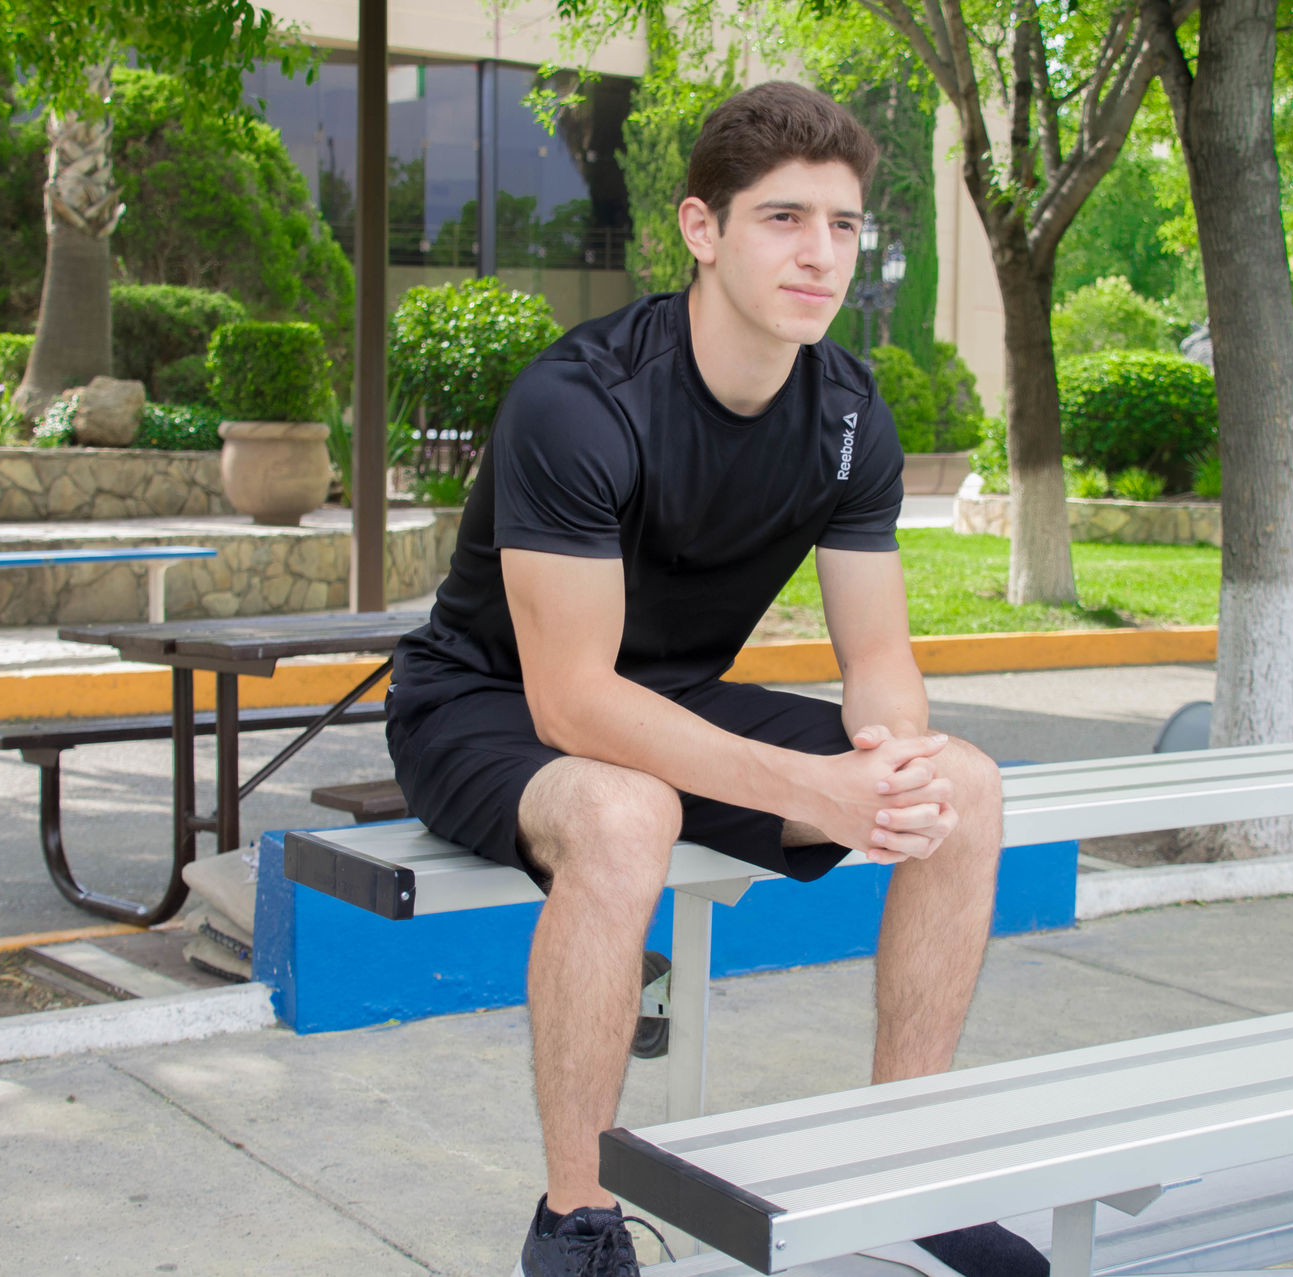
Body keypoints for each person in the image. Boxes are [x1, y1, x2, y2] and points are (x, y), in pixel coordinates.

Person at [386, 81, 1043, 1277]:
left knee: (966, 784)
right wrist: (813, 783)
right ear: (703, 229)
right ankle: (577, 1220)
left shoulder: (848, 416)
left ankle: (903, 1165)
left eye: (843, 225)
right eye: (783, 218)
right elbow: (574, 703)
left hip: (670, 697)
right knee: (626, 810)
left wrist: (888, 758)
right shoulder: (579, 403)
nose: (821, 253)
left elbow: (880, 655)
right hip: (487, 701)